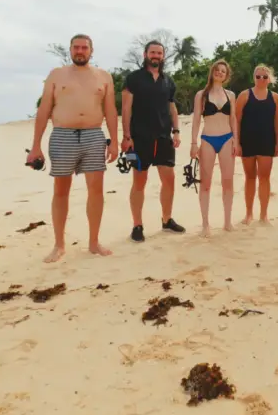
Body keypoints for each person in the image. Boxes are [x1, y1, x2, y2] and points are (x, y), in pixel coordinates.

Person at [27, 33, 117, 262]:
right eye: (76, 47)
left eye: (84, 48)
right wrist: (36, 146)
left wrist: (115, 141)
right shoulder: (57, 75)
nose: (80, 51)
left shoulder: (104, 77)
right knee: (61, 190)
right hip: (62, 135)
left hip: (94, 135)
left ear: (91, 51)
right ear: (70, 50)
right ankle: (59, 245)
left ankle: (94, 242)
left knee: (96, 190)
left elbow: (110, 110)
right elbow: (44, 110)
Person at [121, 40, 185, 242]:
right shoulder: (134, 79)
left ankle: (166, 220)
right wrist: (126, 136)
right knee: (139, 181)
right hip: (139, 139)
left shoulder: (168, 81)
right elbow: (126, 108)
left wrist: (176, 131)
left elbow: (172, 107)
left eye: (159, 53)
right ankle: (137, 225)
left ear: (163, 56)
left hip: (164, 138)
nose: (156, 56)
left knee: (169, 180)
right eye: (152, 52)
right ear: (145, 54)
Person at [189, 59, 239, 237]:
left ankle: (227, 222)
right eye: (217, 70)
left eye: (223, 71)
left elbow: (233, 119)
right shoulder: (201, 95)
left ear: (226, 76)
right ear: (212, 72)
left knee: (228, 181)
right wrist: (193, 143)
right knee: (205, 183)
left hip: (227, 139)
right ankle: (205, 224)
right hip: (207, 140)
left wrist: (236, 141)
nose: (219, 73)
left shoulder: (230, 95)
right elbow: (196, 119)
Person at [234, 64, 278, 225]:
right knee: (250, 177)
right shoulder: (244, 95)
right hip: (247, 141)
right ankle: (248, 214)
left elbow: (277, 122)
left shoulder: (275, 97)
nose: (261, 79)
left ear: (269, 79)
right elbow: (237, 121)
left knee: (264, 178)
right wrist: (237, 143)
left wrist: (277, 143)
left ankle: (263, 214)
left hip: (267, 141)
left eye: (265, 77)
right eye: (258, 76)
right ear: (253, 78)